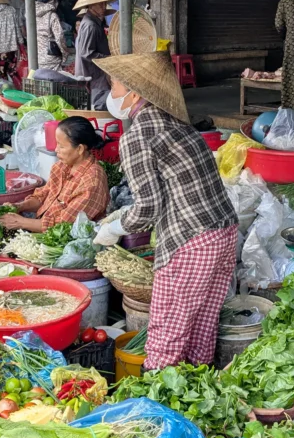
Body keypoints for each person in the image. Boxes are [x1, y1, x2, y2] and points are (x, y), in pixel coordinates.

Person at [91, 51, 238, 369]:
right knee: (201, 324)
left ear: (133, 90)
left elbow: (147, 207)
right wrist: (120, 217)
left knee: (166, 334)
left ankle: (160, 400)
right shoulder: (176, 123)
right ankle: (198, 385)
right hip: (223, 231)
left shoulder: (137, 136)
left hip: (193, 239)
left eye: (114, 84)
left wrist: (114, 228)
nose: (111, 93)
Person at [0, 117, 109, 233]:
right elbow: (43, 197)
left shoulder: (92, 182)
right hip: (43, 227)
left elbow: (63, 226)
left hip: (69, 240)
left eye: (61, 146)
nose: (56, 149)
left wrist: (21, 222)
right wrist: (19, 206)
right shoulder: (60, 167)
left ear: (80, 149)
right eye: (57, 144)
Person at [73, 0, 115, 109]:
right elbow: (87, 53)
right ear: (91, 6)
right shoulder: (91, 25)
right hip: (94, 74)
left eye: (104, 4)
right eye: (100, 4)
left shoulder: (92, 23)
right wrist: (108, 58)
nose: (103, 7)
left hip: (95, 74)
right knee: (100, 103)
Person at [35, 0, 71, 72]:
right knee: (54, 82)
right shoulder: (52, 15)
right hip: (51, 58)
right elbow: (59, 37)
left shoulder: (31, 14)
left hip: (37, 57)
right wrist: (65, 54)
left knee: (41, 82)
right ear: (53, 1)